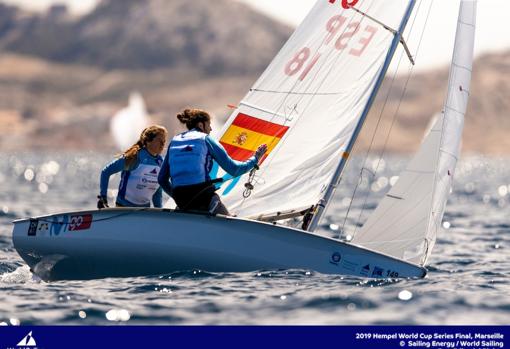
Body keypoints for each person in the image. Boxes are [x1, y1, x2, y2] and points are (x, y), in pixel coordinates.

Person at [158, 108, 267, 215]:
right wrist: (255, 159)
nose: (211, 129)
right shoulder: (206, 139)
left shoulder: (174, 141)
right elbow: (234, 169)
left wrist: (177, 196)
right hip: (203, 196)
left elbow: (162, 179)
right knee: (228, 225)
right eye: (209, 124)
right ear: (201, 125)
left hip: (180, 199)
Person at [98, 125, 168, 209]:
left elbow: (157, 191)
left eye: (164, 141)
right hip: (123, 208)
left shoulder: (161, 163)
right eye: (159, 140)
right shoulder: (134, 157)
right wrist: (103, 197)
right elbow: (106, 172)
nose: (163, 144)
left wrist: (159, 211)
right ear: (148, 141)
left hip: (144, 211)